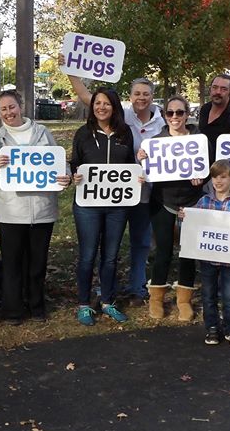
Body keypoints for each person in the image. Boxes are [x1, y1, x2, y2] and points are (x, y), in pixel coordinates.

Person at [60, 52, 165, 306]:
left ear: (152, 97)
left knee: (128, 247)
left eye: (146, 94)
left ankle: (126, 291)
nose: (141, 97)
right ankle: (91, 299)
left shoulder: (161, 121)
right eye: (137, 93)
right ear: (130, 97)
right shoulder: (100, 127)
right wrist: (70, 70)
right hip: (92, 202)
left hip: (134, 196)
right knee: (91, 253)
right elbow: (89, 99)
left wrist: (138, 171)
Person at [0, 89, 71, 325]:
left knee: (37, 263)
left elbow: (60, 162)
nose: (8, 112)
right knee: (12, 264)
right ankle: (13, 310)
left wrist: (65, 175)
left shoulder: (42, 132)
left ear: (21, 106)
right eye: (3, 109)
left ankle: (37, 306)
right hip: (11, 211)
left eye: (11, 107)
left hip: (42, 210)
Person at [70, 87, 137, 326]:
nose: (101, 107)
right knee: (88, 256)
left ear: (114, 107)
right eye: (97, 103)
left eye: (106, 103)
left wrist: (137, 176)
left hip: (117, 206)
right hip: (88, 205)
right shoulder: (83, 133)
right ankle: (84, 304)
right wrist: (74, 175)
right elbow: (74, 164)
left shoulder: (124, 133)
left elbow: (131, 164)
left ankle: (108, 301)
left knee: (110, 257)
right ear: (92, 106)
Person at [137, 95, 206, 321]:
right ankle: (157, 298)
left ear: (187, 114)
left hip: (192, 202)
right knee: (163, 252)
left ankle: (184, 300)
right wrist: (142, 161)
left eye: (179, 112)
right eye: (170, 113)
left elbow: (208, 169)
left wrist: (201, 178)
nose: (175, 117)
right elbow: (147, 172)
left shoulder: (200, 140)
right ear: (165, 116)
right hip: (163, 201)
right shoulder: (156, 142)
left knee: (188, 252)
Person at [179, 160, 230, 347]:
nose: (218, 181)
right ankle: (211, 328)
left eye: (223, 177)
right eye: (215, 177)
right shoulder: (203, 202)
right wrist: (184, 219)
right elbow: (192, 227)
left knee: (229, 296)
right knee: (209, 295)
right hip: (208, 259)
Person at [199, 74, 230, 164]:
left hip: (221, 170)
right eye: (215, 87)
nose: (218, 92)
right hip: (201, 166)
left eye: (223, 89)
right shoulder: (204, 109)